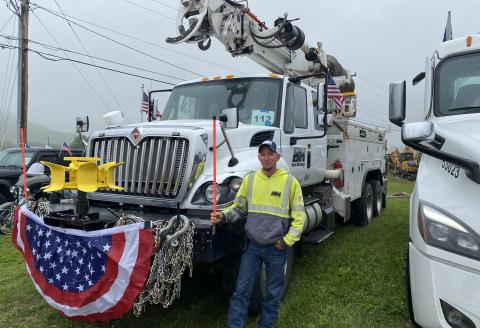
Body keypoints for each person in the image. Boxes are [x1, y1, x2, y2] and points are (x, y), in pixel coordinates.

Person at [211, 140, 305, 328]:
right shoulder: (250, 180)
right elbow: (239, 207)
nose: (266, 158)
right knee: (241, 292)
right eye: (262, 154)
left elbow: (299, 219)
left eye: (270, 154)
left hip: (276, 250)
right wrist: (223, 215)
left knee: (272, 295)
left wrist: (285, 242)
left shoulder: (290, 183)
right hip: (252, 248)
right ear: (258, 157)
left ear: (278, 157)